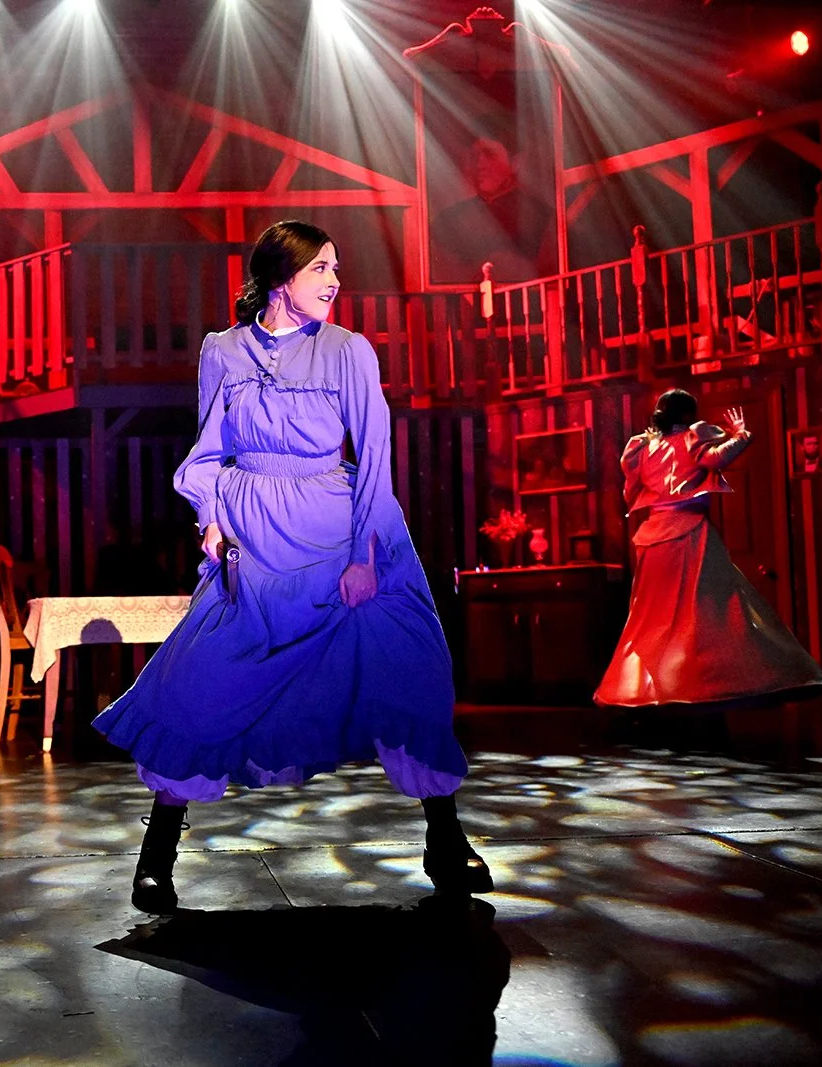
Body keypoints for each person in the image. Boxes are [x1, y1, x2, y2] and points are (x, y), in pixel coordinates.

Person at [92, 220, 492, 914]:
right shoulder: (223, 350)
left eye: (338, 267)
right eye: (320, 269)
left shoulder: (349, 352)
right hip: (254, 530)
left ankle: (445, 836)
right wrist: (211, 521)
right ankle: (158, 853)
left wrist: (366, 555)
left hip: (341, 526)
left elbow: (374, 454)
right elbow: (210, 449)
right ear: (281, 277)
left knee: (408, 665)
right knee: (202, 677)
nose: (335, 281)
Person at [595, 389, 822, 708]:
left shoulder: (643, 447)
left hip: (652, 539)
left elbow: (631, 488)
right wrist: (742, 434)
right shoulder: (692, 436)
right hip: (688, 532)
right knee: (712, 611)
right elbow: (714, 458)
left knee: (651, 616)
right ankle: (705, 686)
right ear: (688, 415)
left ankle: (656, 688)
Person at [430, 134, 555, 285]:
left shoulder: (540, 215)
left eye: (489, 154)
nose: (480, 164)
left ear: (515, 162)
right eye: (475, 157)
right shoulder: (448, 220)